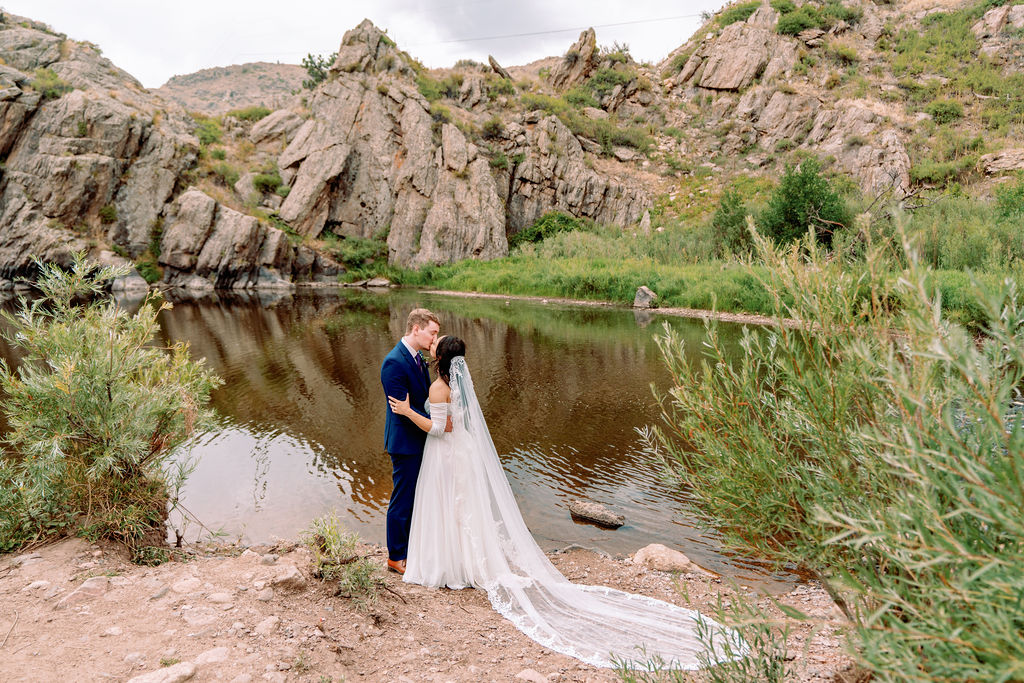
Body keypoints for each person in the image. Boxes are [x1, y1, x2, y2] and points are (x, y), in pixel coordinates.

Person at [387, 337, 747, 670]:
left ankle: (451, 567)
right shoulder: (458, 384)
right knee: (462, 510)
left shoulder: (438, 388)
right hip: (462, 453)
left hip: (448, 455)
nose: (432, 344)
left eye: (435, 343)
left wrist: (406, 411)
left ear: (440, 357)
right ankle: (464, 564)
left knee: (451, 509)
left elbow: (441, 429)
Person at [379, 308, 440, 576]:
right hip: (405, 443)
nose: (434, 339)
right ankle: (395, 557)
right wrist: (435, 425)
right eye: (432, 333)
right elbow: (401, 410)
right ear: (416, 329)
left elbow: (420, 399)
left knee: (415, 497)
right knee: (402, 499)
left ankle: (410, 548)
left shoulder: (417, 358)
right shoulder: (394, 362)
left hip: (420, 437)